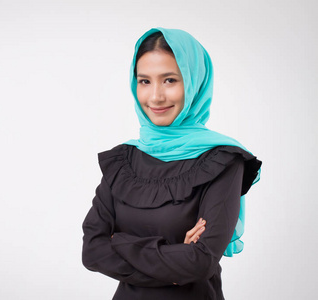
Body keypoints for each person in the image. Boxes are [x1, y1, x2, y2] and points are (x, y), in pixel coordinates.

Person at [81, 28, 262, 300]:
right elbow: (93, 252)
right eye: (144, 81)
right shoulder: (123, 160)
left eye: (169, 80)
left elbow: (201, 262)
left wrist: (118, 242)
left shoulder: (223, 160)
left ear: (194, 82)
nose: (155, 97)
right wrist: (176, 262)